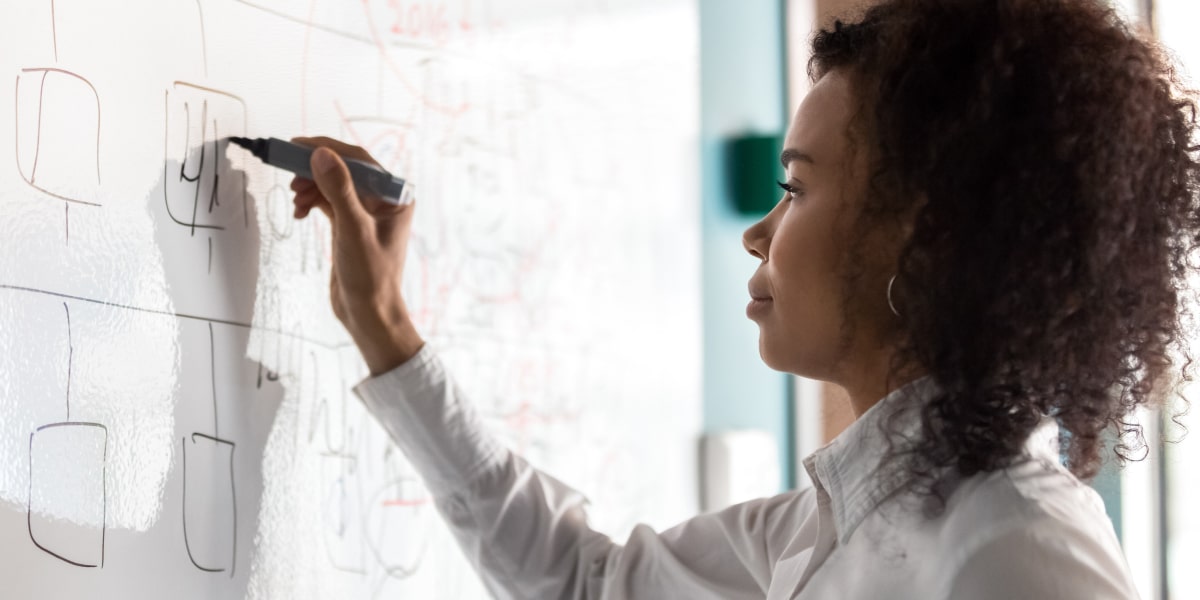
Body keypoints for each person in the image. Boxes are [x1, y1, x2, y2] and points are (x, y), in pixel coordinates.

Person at [290, 0, 1200, 597]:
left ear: (926, 237)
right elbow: (584, 580)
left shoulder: (1016, 547)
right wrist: (388, 332)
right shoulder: (830, 524)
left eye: (796, 188)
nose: (758, 233)